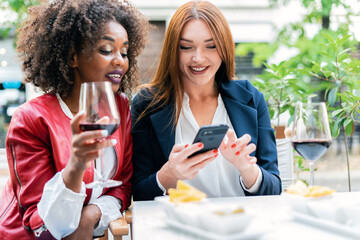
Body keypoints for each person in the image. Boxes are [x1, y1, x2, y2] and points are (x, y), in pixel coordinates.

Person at [0, 0, 149, 239]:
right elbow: (38, 225)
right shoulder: (30, 119)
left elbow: (123, 186)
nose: (120, 60)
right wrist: (76, 165)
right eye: (106, 50)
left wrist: (91, 215)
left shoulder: (119, 106)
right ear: (72, 57)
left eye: (124, 52)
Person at [131, 0, 281, 201]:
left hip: (241, 225)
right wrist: (169, 174)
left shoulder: (251, 98)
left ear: (225, 48)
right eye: (186, 47)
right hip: (178, 227)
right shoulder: (146, 104)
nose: (198, 58)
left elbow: (275, 189)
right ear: (173, 51)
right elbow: (139, 193)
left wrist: (247, 170)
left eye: (211, 46)